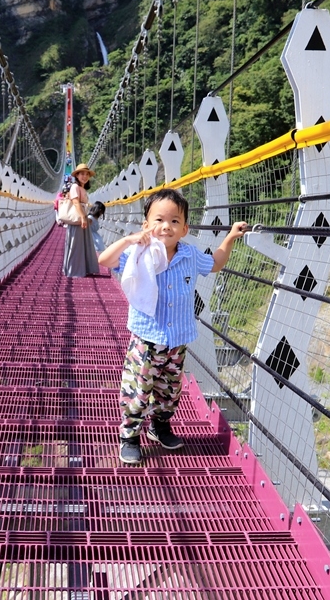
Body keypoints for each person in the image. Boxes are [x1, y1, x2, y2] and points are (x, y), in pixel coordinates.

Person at [98, 188, 248, 464]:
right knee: (138, 388)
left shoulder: (189, 255)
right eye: (158, 220)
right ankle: (130, 436)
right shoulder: (137, 252)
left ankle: (160, 427)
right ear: (146, 225)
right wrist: (129, 239)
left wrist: (230, 237)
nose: (166, 226)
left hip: (177, 339)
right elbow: (104, 260)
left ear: (185, 228)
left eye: (174, 221)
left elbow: (215, 263)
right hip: (146, 338)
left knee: (170, 390)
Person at [62, 163, 100, 277]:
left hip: (82, 217)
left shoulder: (82, 188)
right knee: (75, 244)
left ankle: (83, 269)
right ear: (77, 175)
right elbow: (75, 202)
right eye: (82, 174)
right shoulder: (75, 187)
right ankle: (74, 270)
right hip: (78, 218)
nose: (85, 176)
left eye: (87, 174)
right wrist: (83, 217)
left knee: (83, 244)